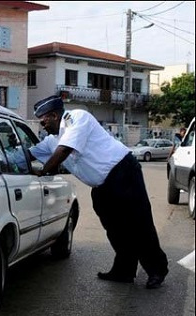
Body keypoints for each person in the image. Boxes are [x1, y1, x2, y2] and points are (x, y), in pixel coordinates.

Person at [29, 96, 169, 289]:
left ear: (53, 115)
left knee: (139, 224)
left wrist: (43, 170)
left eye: (43, 121)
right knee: (115, 229)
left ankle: (157, 270)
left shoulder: (77, 118)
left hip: (123, 172)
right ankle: (124, 271)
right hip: (101, 186)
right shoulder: (51, 140)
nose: (42, 125)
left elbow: (65, 150)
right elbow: (28, 154)